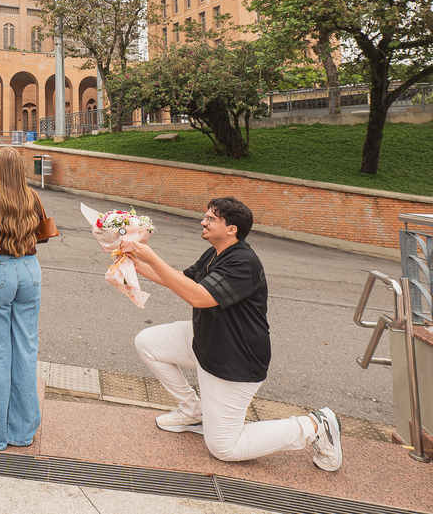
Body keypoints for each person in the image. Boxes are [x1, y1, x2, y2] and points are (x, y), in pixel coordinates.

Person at [128, 196, 343, 472]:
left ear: (231, 229)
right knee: (148, 343)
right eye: (205, 216)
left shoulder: (243, 263)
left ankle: (315, 425)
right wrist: (133, 263)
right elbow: (180, 280)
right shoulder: (217, 252)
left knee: (224, 448)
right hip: (207, 340)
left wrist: (151, 256)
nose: (202, 222)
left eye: (211, 219)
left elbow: (197, 297)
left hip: (234, 359)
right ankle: (194, 412)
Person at [0, 147, 50, 451]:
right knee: (26, 349)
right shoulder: (30, 195)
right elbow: (42, 230)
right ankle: (22, 431)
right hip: (30, 270)